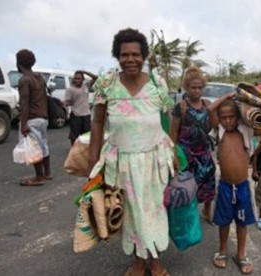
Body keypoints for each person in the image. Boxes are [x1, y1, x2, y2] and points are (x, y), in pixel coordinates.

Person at [88, 28, 176, 276]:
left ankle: (155, 258)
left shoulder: (158, 84)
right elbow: (96, 123)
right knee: (129, 213)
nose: (130, 59)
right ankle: (139, 261)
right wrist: (93, 162)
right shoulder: (106, 84)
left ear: (144, 56)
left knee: (154, 210)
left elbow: (169, 118)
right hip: (121, 161)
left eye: (136, 54)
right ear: (117, 56)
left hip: (154, 160)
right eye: (124, 54)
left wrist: (174, 151)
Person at [169, 65, 219, 224]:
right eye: (193, 88)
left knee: (209, 181)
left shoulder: (206, 105)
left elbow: (213, 125)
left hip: (204, 153)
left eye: (199, 88)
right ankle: (188, 217)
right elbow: (173, 133)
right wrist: (174, 155)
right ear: (186, 88)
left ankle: (207, 210)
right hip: (186, 154)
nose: (196, 91)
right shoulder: (181, 107)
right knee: (187, 186)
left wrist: (212, 112)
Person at [212, 98, 255, 275]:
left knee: (242, 222)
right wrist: (229, 96)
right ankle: (222, 250)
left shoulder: (246, 131)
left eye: (232, 116)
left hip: (243, 186)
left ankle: (241, 254)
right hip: (224, 186)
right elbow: (210, 111)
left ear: (238, 117)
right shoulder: (218, 131)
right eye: (224, 117)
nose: (228, 120)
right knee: (223, 222)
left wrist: (242, 102)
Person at [16, 49, 52, 186]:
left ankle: (39, 177)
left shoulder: (24, 79)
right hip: (43, 118)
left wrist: (24, 123)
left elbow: (24, 103)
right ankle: (47, 172)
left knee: (34, 148)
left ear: (19, 63)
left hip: (31, 119)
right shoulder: (39, 77)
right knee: (43, 145)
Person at [63, 70, 97, 145]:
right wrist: (65, 103)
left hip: (86, 115)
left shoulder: (86, 86)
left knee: (87, 137)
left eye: (79, 78)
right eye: (75, 78)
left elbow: (96, 78)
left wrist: (84, 71)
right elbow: (68, 102)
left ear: (82, 79)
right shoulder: (70, 89)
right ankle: (74, 151)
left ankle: (85, 152)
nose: (76, 80)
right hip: (76, 115)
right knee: (74, 137)